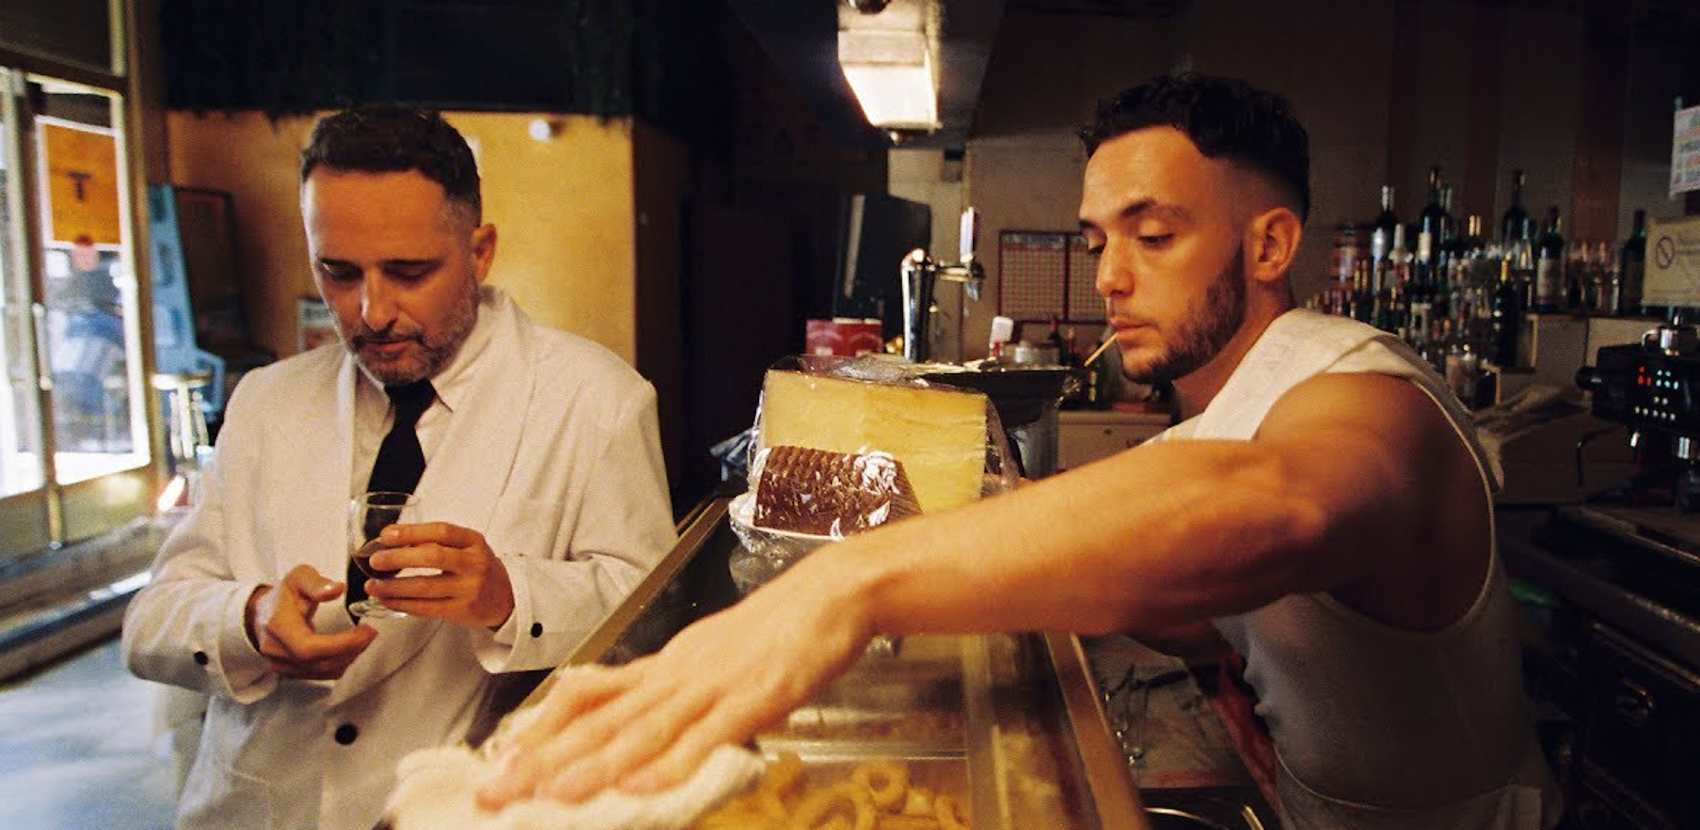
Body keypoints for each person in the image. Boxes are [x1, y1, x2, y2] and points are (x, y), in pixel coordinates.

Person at [478, 74, 1563, 829]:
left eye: (1154, 234)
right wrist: (967, 541)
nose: (1109, 276)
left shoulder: (1363, 391)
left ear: (1269, 243)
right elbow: (1203, 600)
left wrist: (854, 586)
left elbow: (1280, 507)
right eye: (1099, 241)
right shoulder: (1236, 402)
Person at [121, 104, 678, 830]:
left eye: (408, 272)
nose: (371, 311)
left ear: (480, 252)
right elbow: (150, 622)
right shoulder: (264, 403)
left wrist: (514, 597)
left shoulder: (597, 402)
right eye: (338, 271)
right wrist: (248, 619)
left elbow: (653, 623)